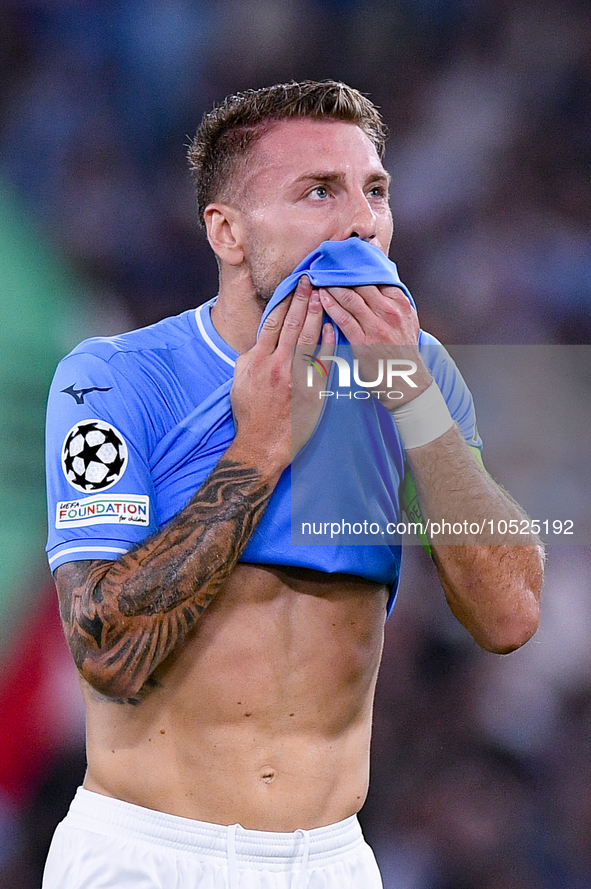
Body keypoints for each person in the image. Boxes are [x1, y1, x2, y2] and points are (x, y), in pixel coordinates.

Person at [43, 80, 544, 888]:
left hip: (330, 859)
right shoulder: (114, 380)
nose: (361, 222)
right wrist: (257, 451)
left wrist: (413, 397)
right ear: (228, 232)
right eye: (319, 191)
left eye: (373, 190)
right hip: (148, 853)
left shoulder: (418, 380)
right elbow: (106, 653)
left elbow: (509, 614)